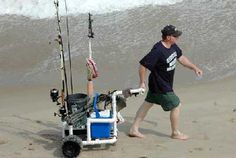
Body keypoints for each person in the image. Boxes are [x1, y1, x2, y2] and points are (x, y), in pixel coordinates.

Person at [129, 25, 203, 140]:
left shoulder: (173, 46)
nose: (177, 37)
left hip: (162, 84)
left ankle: (134, 129)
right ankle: (175, 133)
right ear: (168, 37)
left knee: (147, 104)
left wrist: (194, 68)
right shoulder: (158, 50)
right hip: (160, 85)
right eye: (175, 36)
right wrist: (142, 82)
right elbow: (143, 65)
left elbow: (181, 58)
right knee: (176, 105)